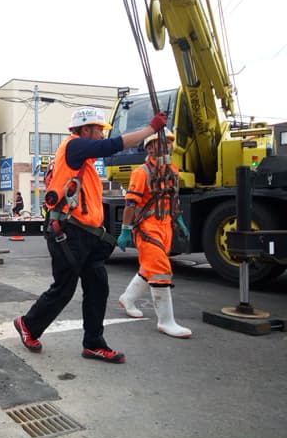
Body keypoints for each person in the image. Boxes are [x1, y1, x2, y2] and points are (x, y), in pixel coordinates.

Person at [13, 107, 168, 364]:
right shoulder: (74, 146)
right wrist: (150, 129)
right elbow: (112, 146)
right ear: (85, 130)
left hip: (85, 234)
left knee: (98, 287)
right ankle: (28, 324)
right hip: (68, 232)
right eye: (99, 129)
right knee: (64, 289)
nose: (102, 134)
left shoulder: (83, 161)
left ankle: (94, 344)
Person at [117, 128, 192, 338]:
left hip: (165, 225)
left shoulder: (173, 171)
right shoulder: (141, 173)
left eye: (169, 142)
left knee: (149, 267)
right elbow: (131, 204)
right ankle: (166, 322)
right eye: (162, 142)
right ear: (150, 148)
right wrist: (125, 229)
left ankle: (128, 298)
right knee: (160, 269)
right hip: (147, 227)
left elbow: (173, 199)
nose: (167, 146)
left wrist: (179, 221)